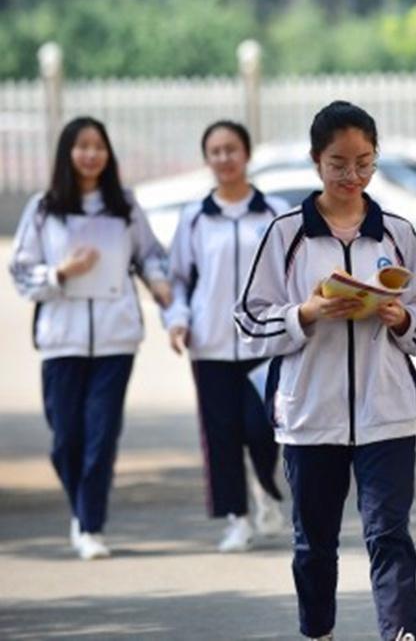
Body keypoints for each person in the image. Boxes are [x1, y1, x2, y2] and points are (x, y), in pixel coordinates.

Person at [234, 101, 416, 641]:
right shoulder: (285, 235)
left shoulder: (397, 233)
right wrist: (305, 312)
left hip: (386, 412)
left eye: (364, 162)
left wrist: (399, 316)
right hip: (309, 414)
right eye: (339, 164)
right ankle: (317, 631)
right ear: (315, 161)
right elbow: (249, 321)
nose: (352, 176)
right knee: (315, 543)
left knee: (389, 534)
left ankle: (400, 634)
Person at [9, 115, 171, 560]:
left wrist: (158, 284)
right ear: (67, 153)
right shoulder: (44, 208)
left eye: (98, 146)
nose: (91, 154)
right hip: (61, 339)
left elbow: (151, 256)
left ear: (108, 153)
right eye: (81, 146)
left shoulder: (125, 205)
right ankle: (81, 510)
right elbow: (22, 273)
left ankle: (90, 525)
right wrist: (62, 273)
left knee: (100, 436)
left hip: (116, 340)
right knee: (65, 441)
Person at [163, 120, 288, 553]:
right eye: (215, 151)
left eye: (231, 149)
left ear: (247, 154)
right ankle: (238, 518)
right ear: (207, 159)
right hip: (211, 344)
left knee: (262, 428)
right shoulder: (195, 218)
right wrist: (177, 319)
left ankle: (268, 491)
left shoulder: (273, 213)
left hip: (265, 345)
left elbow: (289, 275)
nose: (224, 158)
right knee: (222, 434)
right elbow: (178, 278)